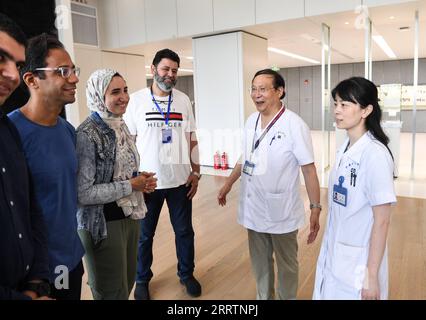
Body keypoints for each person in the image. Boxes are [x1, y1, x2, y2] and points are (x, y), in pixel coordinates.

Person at [217, 69, 321, 300]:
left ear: (279, 91)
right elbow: (245, 156)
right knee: (260, 263)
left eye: (262, 89)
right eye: (253, 89)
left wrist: (315, 207)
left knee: (287, 265)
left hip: (281, 209)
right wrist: (228, 184)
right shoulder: (251, 120)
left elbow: (308, 169)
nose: (256, 94)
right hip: (253, 207)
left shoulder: (295, 125)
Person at [8, 33, 85, 300]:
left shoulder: (67, 131)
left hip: (69, 259)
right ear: (32, 80)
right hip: (32, 275)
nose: (74, 78)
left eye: (73, 70)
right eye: (63, 71)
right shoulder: (10, 135)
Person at [123, 48, 201, 300]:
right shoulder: (135, 101)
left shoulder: (183, 99)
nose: (170, 74)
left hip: (180, 180)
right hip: (148, 182)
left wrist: (196, 171)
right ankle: (142, 278)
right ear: (153, 69)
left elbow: (191, 137)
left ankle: (186, 274)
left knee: (184, 232)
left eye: (174, 70)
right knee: (144, 236)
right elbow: (129, 143)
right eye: (166, 69)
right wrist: (133, 179)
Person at [76, 69, 157, 300]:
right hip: (102, 224)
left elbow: (116, 172)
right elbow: (84, 193)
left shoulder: (120, 125)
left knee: (127, 283)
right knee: (111, 292)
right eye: (115, 92)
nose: (124, 97)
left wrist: (140, 179)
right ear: (98, 96)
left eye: (125, 90)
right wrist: (131, 185)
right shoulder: (87, 134)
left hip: (128, 216)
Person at [313, 77, 396, 300]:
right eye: (336, 104)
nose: (337, 111)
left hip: (358, 261)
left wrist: (371, 277)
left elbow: (382, 220)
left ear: (366, 110)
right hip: (337, 250)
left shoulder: (375, 155)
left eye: (345, 105)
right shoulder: (345, 150)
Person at [0, 13, 51, 300]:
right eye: (1, 58)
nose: (12, 74)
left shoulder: (8, 131)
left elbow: (30, 208)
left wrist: (36, 281)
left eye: (17, 64)